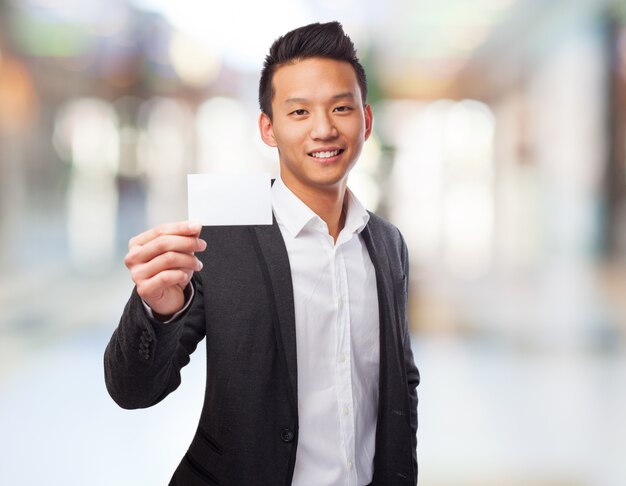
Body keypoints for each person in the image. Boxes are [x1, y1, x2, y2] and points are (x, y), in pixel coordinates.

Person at [104, 21, 419, 486]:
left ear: (366, 120)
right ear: (268, 129)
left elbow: (400, 386)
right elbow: (134, 390)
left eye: (341, 108)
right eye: (299, 113)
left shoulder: (388, 244)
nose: (324, 129)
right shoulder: (220, 241)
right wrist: (158, 310)